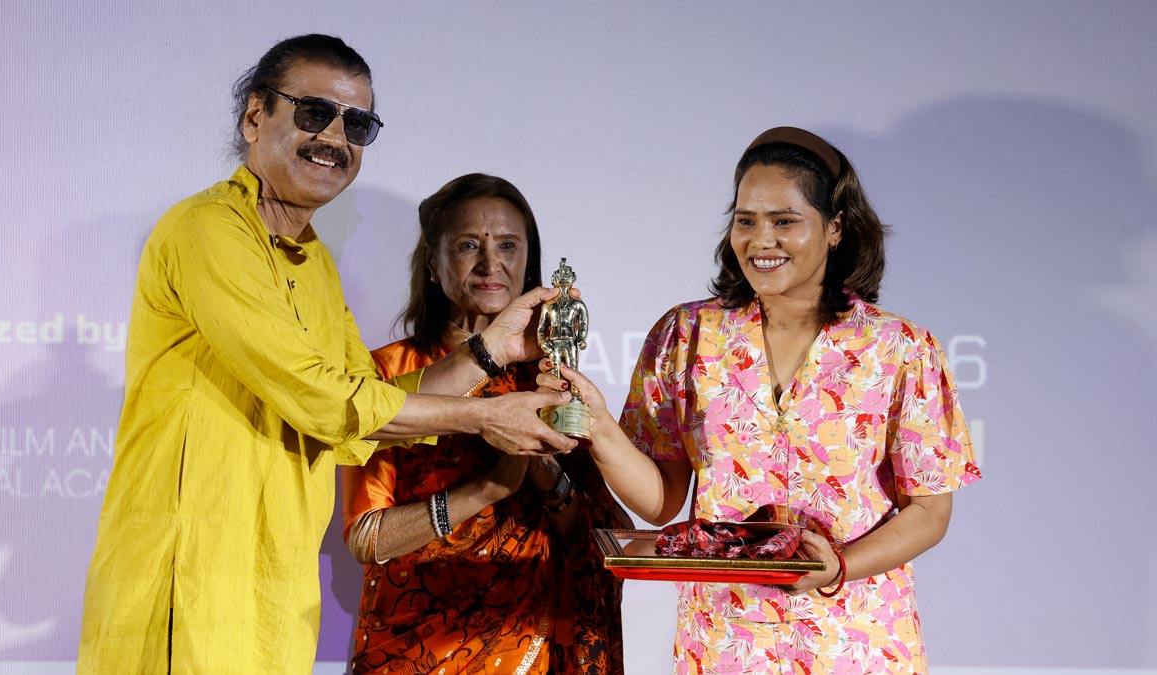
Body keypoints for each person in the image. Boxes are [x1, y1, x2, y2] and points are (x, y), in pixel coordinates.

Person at [76, 36, 576, 675]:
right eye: (314, 113)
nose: (335, 138)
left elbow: (370, 405)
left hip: (275, 593)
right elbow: (325, 398)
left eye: (357, 125)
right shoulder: (208, 231)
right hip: (187, 578)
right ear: (255, 117)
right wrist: (483, 417)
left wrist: (490, 350)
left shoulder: (314, 262)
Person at [544, 127, 982, 674]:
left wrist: (841, 566)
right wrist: (599, 427)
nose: (761, 240)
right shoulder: (686, 336)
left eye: (784, 221)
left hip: (858, 642)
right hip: (725, 643)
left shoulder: (901, 349)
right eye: (745, 221)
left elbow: (930, 511)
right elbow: (660, 503)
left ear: (836, 227)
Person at [343, 174, 630, 675]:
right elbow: (367, 537)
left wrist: (545, 473)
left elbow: (605, 539)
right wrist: (489, 487)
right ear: (432, 264)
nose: (490, 264)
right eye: (468, 246)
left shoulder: (552, 376)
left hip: (535, 645)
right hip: (417, 649)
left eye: (508, 246)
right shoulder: (388, 373)